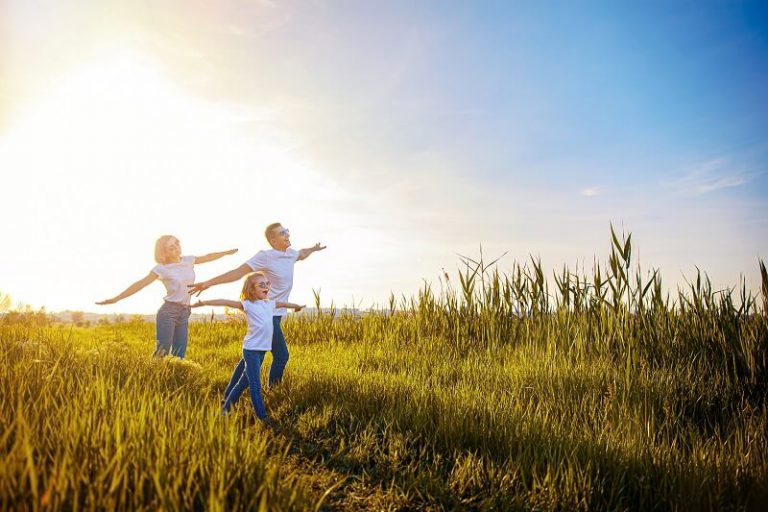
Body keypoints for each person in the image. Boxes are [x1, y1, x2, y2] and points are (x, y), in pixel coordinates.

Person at [188, 223, 325, 386]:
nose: (287, 234)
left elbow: (302, 253)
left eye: (287, 231)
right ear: (273, 241)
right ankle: (274, 391)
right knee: (281, 356)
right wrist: (208, 283)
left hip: (274, 315)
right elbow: (238, 272)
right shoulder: (265, 256)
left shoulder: (290, 254)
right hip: (266, 314)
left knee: (255, 355)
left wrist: (313, 249)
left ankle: (230, 393)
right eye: (283, 233)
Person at [96, 235, 238, 358]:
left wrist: (225, 253)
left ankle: (172, 381)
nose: (176, 247)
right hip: (168, 312)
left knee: (179, 354)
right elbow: (140, 284)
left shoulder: (188, 260)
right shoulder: (161, 269)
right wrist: (116, 298)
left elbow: (208, 257)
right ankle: (152, 380)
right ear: (164, 253)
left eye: (177, 243)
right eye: (171, 247)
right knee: (162, 353)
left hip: (185, 311)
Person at [192, 272, 304, 424]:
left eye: (267, 284)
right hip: (251, 351)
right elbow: (225, 301)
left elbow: (283, 303)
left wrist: (295, 306)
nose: (267, 287)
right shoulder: (248, 304)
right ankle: (263, 418)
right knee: (255, 386)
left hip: (261, 352)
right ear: (251, 290)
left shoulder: (269, 304)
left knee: (243, 383)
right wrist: (204, 302)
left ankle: (225, 410)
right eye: (262, 285)